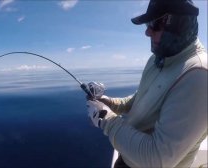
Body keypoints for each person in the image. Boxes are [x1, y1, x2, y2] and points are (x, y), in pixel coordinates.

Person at [86, 0, 207, 167]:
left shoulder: (199, 76)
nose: (147, 32)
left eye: (155, 24)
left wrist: (105, 118)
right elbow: (143, 96)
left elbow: (157, 159)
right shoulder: (159, 58)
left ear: (180, 24)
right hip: (128, 157)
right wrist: (112, 103)